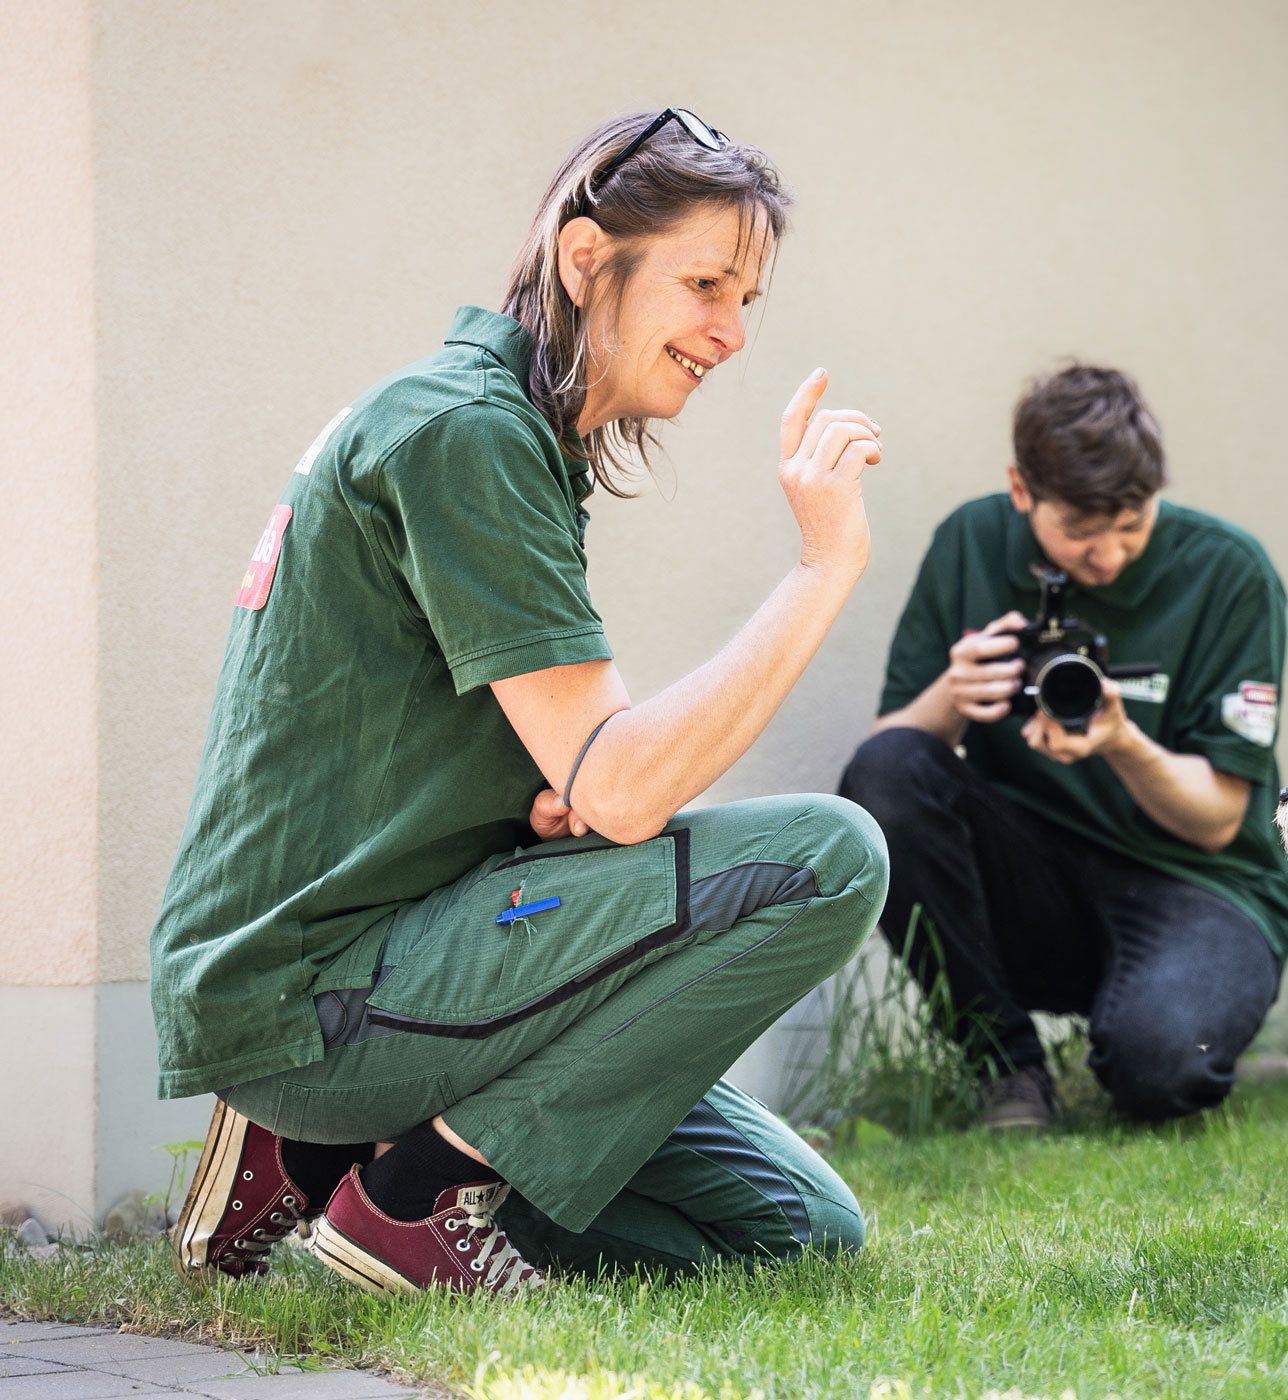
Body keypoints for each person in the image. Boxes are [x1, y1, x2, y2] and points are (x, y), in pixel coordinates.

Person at [154, 108, 888, 1295]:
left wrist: (546, 801)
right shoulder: (466, 433)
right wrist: (823, 567)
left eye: (746, 297)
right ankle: (412, 1197)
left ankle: (328, 1160)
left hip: (411, 949)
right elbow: (625, 782)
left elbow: (559, 771)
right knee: (834, 856)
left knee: (799, 1228)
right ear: (586, 259)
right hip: (319, 989)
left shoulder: (504, 431)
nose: (733, 331)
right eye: (706, 283)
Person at [838, 365, 1288, 1130]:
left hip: (1199, 881)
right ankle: (1006, 1068)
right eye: (1080, 535)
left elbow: (1220, 819)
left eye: (1131, 526)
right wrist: (952, 697)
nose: (1109, 557)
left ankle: (1168, 1015)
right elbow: (881, 773)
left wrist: (1123, 740)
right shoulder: (971, 543)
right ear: (1021, 489)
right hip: (1042, 877)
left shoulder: (1229, 573)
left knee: (1160, 1069)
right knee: (885, 776)